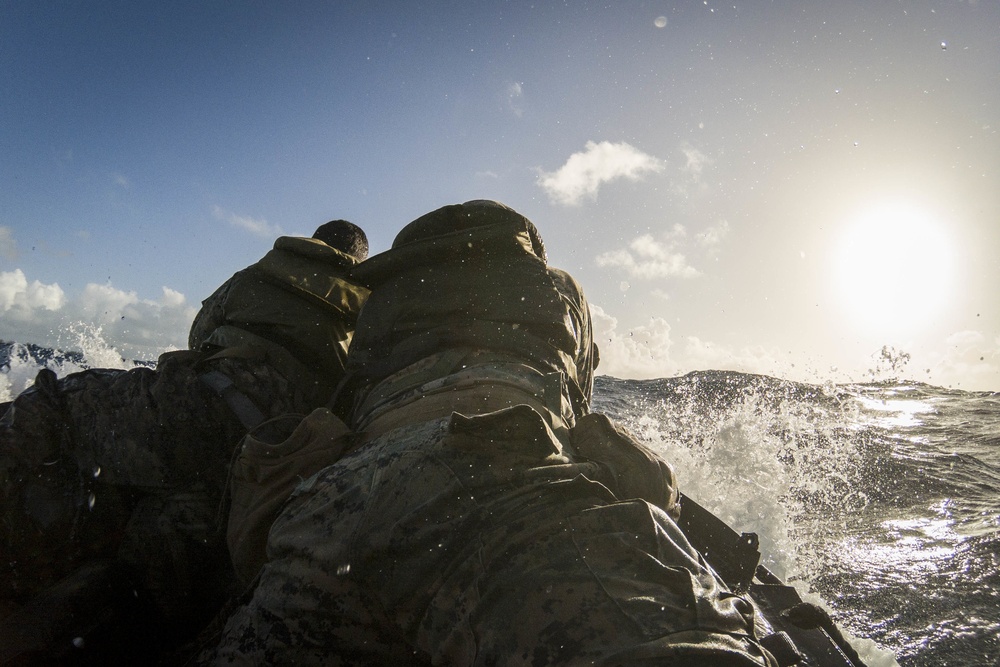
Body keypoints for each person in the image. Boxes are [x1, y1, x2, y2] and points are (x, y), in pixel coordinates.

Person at [200, 201, 777, 666]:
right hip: (503, 482)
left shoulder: (381, 300)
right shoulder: (560, 291)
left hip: (333, 506)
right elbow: (578, 406)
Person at [0, 221, 370, 661]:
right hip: (273, 453)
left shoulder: (261, 273)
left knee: (51, 404)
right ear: (360, 259)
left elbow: (200, 334)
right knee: (171, 543)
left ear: (313, 241)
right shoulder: (367, 308)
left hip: (198, 404)